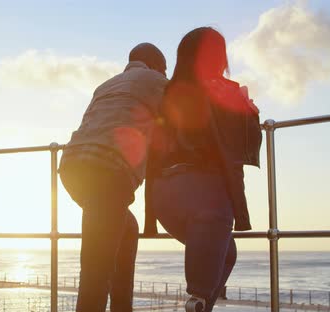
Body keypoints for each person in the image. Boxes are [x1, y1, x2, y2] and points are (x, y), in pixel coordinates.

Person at [145, 27, 262, 312]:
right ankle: (198, 302)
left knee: (227, 253)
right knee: (199, 291)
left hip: (164, 197)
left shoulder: (167, 94)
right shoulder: (224, 90)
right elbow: (247, 145)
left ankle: (200, 302)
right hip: (206, 196)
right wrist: (251, 111)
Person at [59, 42, 168, 311]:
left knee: (125, 228)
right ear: (156, 65)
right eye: (166, 70)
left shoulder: (107, 84)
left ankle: (122, 306)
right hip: (108, 170)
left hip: (73, 166)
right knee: (96, 270)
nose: (166, 75)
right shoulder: (156, 80)